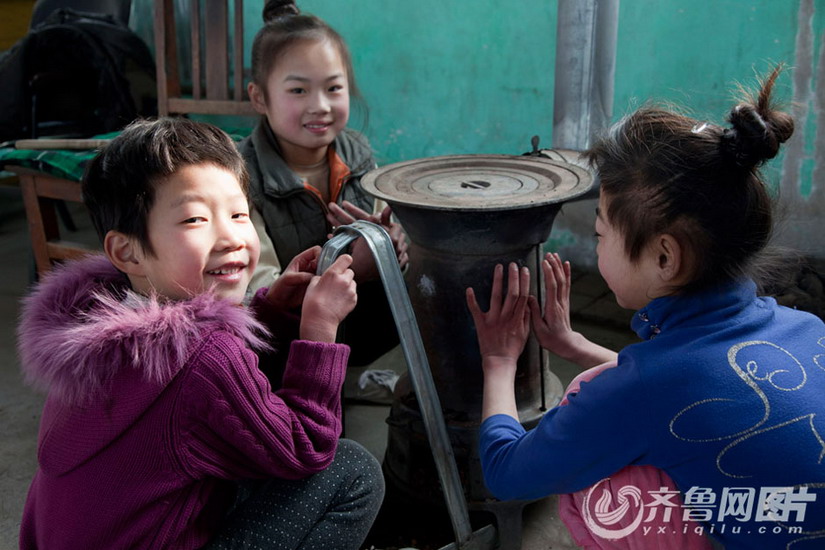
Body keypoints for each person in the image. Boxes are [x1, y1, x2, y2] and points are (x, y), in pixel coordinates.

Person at [466, 66, 825, 549]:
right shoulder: (807, 327)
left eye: (600, 235)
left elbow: (507, 473)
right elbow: (701, 390)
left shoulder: (644, 389)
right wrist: (574, 344)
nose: (596, 249)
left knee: (606, 485)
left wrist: (498, 362)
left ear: (663, 257)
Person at [17, 118, 384, 550]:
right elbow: (306, 448)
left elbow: (208, 409)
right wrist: (319, 329)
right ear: (126, 250)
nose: (230, 237)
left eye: (239, 213)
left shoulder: (94, 318)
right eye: (195, 218)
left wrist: (269, 312)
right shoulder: (204, 358)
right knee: (351, 470)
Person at [241, 0, 407, 372]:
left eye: (333, 88)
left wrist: (391, 246)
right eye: (298, 91)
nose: (320, 106)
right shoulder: (240, 177)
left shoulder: (358, 154)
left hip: (357, 321)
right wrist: (350, 268)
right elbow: (258, 293)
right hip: (281, 342)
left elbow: (387, 228)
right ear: (258, 97)